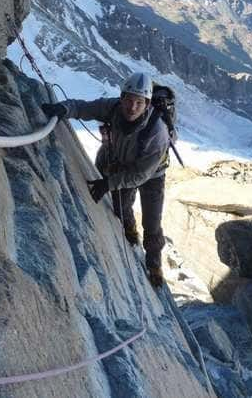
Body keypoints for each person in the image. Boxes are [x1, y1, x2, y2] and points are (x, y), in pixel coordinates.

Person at [41, 72, 170, 287]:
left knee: (152, 222)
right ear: (121, 98)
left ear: (147, 105)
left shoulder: (157, 133)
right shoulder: (113, 108)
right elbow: (84, 108)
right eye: (129, 100)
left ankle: (154, 266)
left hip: (152, 175)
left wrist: (108, 183)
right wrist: (64, 109)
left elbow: (140, 175)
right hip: (121, 163)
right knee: (121, 207)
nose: (132, 107)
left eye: (139, 102)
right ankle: (129, 228)